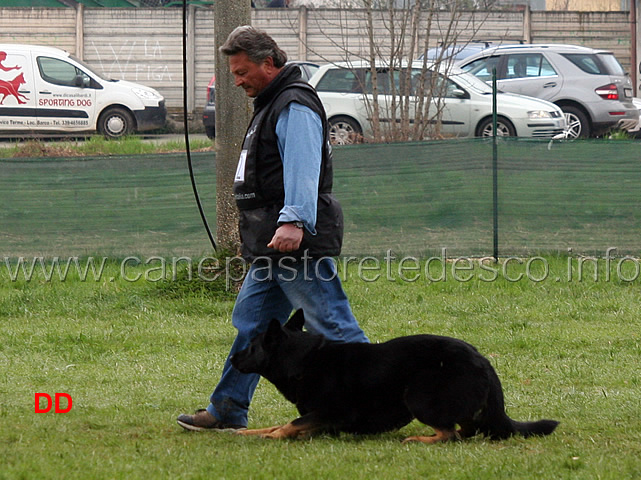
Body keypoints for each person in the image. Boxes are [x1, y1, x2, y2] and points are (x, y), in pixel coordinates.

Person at [177, 26, 369, 432]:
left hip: (292, 241)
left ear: (268, 63)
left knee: (332, 323)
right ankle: (228, 407)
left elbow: (303, 166)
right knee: (252, 325)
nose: (237, 80)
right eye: (234, 73)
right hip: (271, 244)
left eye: (242, 71)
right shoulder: (271, 103)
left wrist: (294, 219)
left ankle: (376, 404)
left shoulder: (293, 105)